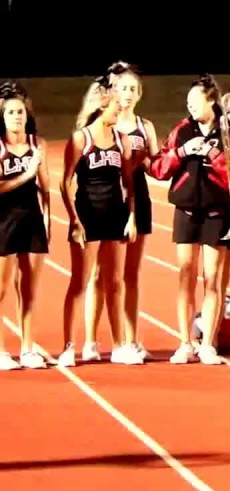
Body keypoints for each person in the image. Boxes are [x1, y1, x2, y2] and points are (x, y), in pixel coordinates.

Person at [148, 74, 230, 365]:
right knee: (185, 277)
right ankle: (185, 342)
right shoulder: (182, 130)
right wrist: (182, 152)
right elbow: (159, 169)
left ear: (211, 101)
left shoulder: (229, 132)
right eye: (188, 102)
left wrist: (213, 153)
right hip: (185, 211)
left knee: (213, 280)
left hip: (216, 212)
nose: (191, 107)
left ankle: (208, 343)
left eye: (195, 101)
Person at [58, 80, 136, 368]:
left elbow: (128, 183)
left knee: (114, 282)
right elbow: (65, 182)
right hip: (87, 216)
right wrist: (74, 220)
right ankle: (69, 347)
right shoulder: (81, 139)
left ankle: (119, 346)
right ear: (103, 106)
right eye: (116, 105)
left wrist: (132, 217)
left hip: (115, 216)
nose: (119, 110)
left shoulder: (121, 139)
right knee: (80, 282)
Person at [95, 62, 155, 365]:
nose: (128, 94)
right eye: (123, 88)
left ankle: (131, 339)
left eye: (133, 89)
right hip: (109, 200)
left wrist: (146, 160)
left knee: (132, 274)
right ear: (113, 91)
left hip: (139, 199)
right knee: (103, 274)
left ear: (140, 93)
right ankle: (93, 340)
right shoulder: (106, 123)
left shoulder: (146, 127)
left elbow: (157, 167)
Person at [0, 81, 51, 370]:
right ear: (2, 117)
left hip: (32, 219)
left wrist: (48, 218)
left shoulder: (37, 145)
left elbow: (45, 187)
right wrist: (25, 174)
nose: (16, 117)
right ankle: (1, 350)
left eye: (20, 112)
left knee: (28, 288)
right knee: (1, 289)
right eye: (10, 112)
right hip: (4, 220)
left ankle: (28, 348)